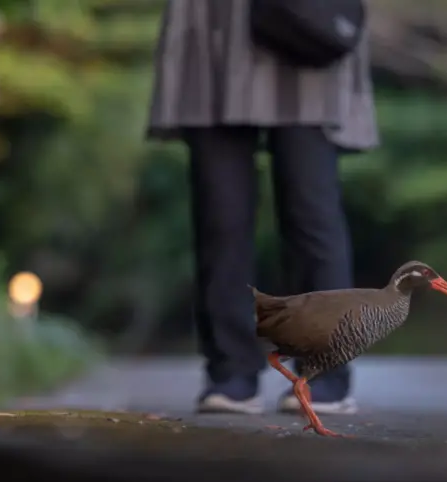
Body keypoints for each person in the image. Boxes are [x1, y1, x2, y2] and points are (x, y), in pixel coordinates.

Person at [147, 0, 379, 415]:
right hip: (212, 33)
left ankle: (326, 371)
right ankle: (230, 373)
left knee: (310, 213)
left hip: (302, 29)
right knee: (220, 217)